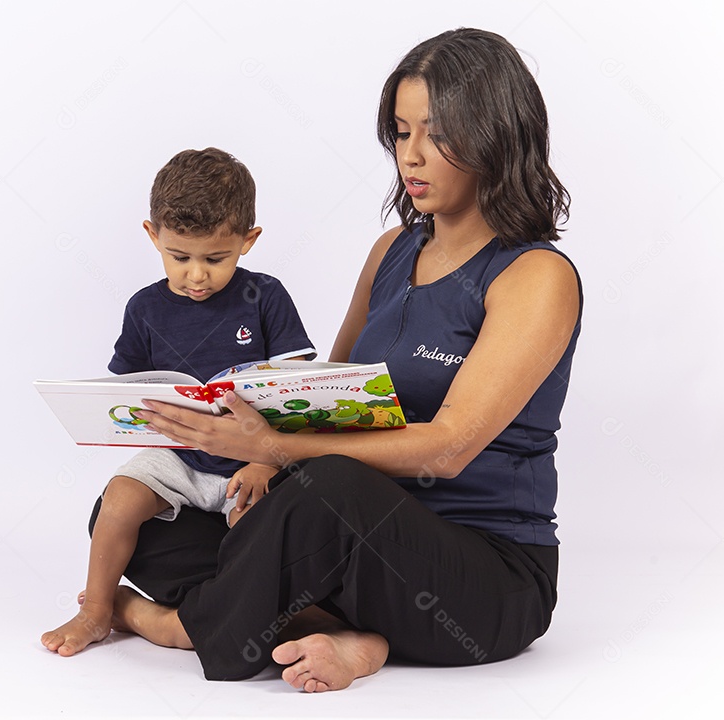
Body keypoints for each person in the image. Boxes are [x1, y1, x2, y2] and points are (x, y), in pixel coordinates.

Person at [100, 28, 582, 692]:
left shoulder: (535, 276)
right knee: (138, 511)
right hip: (352, 544)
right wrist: (250, 449)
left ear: (496, 136)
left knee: (327, 487)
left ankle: (174, 623)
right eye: (401, 133)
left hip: (483, 575)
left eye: (437, 134)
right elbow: (324, 400)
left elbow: (448, 449)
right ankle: (350, 634)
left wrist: (275, 446)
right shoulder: (391, 251)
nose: (411, 156)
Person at [41, 147, 317, 657]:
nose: (196, 276)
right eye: (179, 257)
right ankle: (96, 611)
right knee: (119, 498)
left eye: (215, 259)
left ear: (248, 240)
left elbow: (296, 393)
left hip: (251, 459)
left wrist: (264, 460)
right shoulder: (144, 308)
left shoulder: (265, 296)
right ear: (153, 236)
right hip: (178, 455)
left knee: (257, 538)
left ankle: (220, 616)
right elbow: (125, 390)